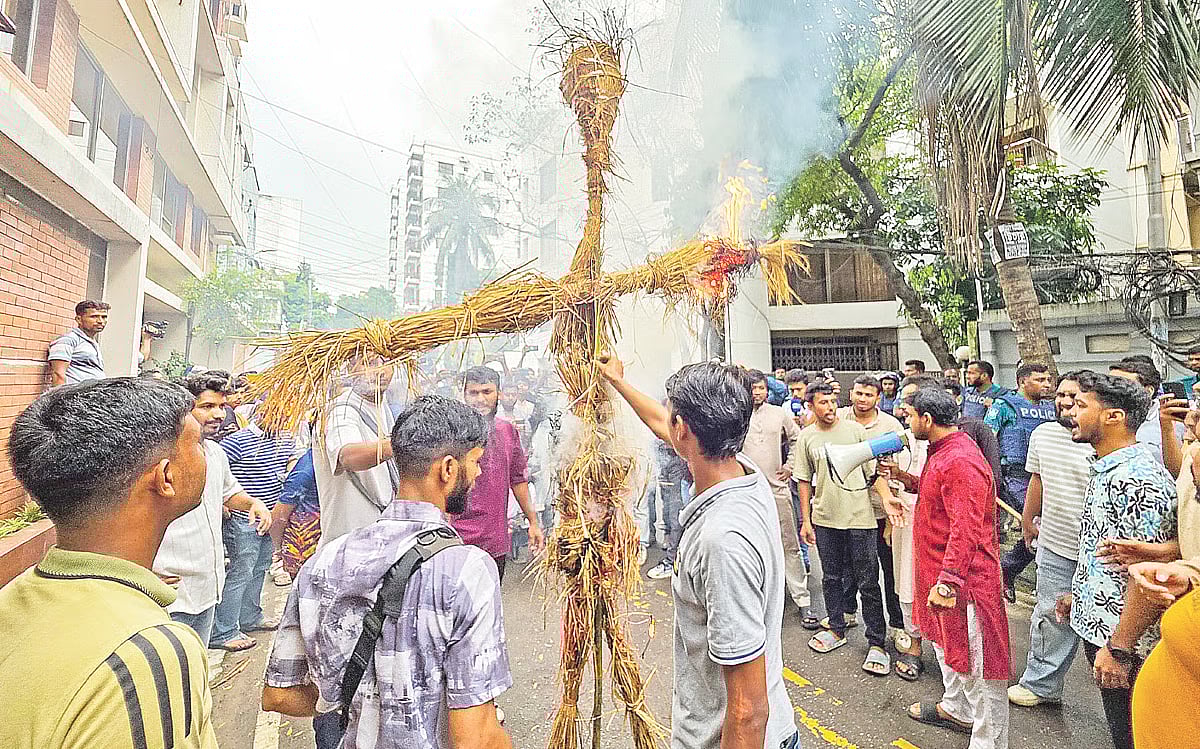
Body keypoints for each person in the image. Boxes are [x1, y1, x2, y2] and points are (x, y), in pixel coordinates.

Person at [263, 395, 513, 749]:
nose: (479, 473)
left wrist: (350, 701)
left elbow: (278, 695)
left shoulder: (324, 560)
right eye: (475, 462)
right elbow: (476, 736)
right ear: (447, 469)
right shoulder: (467, 571)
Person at [0, 377, 218, 749]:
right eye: (196, 443)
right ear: (166, 477)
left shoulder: (13, 595)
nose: (206, 454)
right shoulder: (146, 654)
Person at [596, 354, 800, 749]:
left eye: (674, 416)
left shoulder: (721, 540)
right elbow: (664, 425)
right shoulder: (744, 471)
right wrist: (617, 382)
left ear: (684, 428)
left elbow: (748, 710)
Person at [1059, 372, 1177, 749]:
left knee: (1136, 737)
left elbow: (1151, 581)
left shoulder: (1138, 479)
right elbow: (1106, 553)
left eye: (1080, 405)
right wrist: (1080, 598)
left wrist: (1120, 648)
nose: (1069, 412)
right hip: (1104, 630)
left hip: (1126, 642)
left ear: (1114, 417)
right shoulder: (1107, 466)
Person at [892, 387, 1010, 749]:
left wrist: (948, 582)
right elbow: (939, 498)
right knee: (951, 652)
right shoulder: (942, 452)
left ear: (926, 419)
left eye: (910, 415)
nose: (907, 422)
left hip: (966, 585)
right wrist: (906, 478)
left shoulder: (959, 460)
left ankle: (989, 742)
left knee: (978, 667)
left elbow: (967, 527)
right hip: (947, 579)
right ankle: (957, 709)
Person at [154, 371, 272, 647]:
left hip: (207, 584)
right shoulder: (161, 459)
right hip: (170, 590)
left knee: (198, 668)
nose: (219, 414)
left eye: (221, 406)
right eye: (207, 407)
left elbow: (230, 493)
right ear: (184, 410)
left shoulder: (216, 455)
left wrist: (253, 503)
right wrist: (145, 569)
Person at [1006, 372, 1096, 707]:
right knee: (1048, 615)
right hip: (1055, 542)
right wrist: (1029, 522)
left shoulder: (1098, 439)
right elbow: (1037, 481)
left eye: (1075, 396)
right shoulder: (1043, 434)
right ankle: (1041, 685)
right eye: (1060, 394)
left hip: (1097, 550)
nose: (1064, 401)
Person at [795, 382, 896, 676]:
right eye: (821, 403)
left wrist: (887, 498)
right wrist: (806, 519)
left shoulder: (855, 432)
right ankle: (836, 627)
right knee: (831, 577)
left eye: (831, 401)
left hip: (860, 518)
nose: (828, 407)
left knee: (868, 581)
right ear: (811, 407)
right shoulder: (806, 438)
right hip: (826, 518)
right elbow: (803, 480)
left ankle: (877, 642)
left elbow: (872, 475)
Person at [209, 415, 297, 651]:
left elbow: (291, 459)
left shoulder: (284, 439)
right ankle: (223, 630)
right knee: (241, 570)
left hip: (268, 514)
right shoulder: (236, 442)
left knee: (259, 568)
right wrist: (224, 504)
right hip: (243, 518)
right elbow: (214, 473)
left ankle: (250, 617)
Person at [454, 366, 544, 581]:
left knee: (490, 604)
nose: (480, 399)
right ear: (463, 394)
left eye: (487, 392)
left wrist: (533, 522)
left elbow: (518, 479)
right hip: (455, 538)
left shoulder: (506, 431)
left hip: (494, 539)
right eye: (473, 393)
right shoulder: (451, 432)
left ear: (498, 394)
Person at [836, 375, 906, 637]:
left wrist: (890, 519)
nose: (862, 399)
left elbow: (899, 472)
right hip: (850, 510)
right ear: (851, 394)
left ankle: (897, 625)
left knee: (890, 571)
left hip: (883, 511)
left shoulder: (891, 426)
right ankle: (847, 611)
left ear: (878, 398)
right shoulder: (840, 420)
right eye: (858, 394)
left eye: (868, 395)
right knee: (851, 567)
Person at [743, 369, 813, 626]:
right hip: (746, 492)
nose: (757, 393)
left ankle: (803, 600)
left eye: (761, 388)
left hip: (776, 489)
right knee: (750, 547)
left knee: (789, 545)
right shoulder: (736, 416)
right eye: (752, 388)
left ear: (767, 389)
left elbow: (797, 439)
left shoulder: (779, 414)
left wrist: (791, 466)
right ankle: (760, 601)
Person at [984, 363, 1056, 600]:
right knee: (1039, 527)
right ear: (1023, 381)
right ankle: (1009, 568)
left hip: (1048, 476)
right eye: (1040, 380)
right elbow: (987, 439)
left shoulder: (1052, 409)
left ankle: (1010, 568)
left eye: (1048, 380)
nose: (1046, 384)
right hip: (1015, 477)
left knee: (1049, 529)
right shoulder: (1004, 406)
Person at [314, 356, 398, 544]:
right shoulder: (341, 410)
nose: (379, 370)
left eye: (386, 362)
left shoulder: (382, 406)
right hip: (347, 544)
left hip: (375, 538)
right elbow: (347, 456)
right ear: (350, 368)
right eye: (369, 363)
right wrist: (401, 442)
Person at [1109, 359, 1186, 467]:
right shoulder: (1103, 419)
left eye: (1121, 385)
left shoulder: (1173, 420)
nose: (1111, 390)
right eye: (1109, 384)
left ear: (1148, 391)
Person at [272, 447, 322, 580]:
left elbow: (280, 515)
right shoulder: (312, 462)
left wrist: (278, 547)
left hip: (307, 545)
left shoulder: (310, 463)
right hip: (310, 546)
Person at [47, 300, 109, 386]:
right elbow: (58, 375)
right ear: (79, 319)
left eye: (104, 317)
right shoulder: (67, 341)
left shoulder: (92, 343)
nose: (100, 321)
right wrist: (61, 399)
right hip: (76, 397)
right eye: (94, 316)